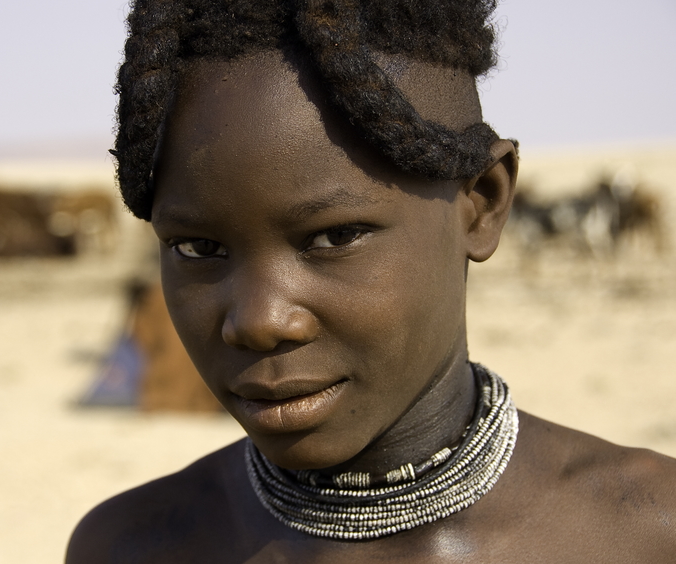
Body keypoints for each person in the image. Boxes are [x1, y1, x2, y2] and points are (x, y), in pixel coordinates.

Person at [67, 0, 676, 561]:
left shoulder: (643, 533)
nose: (258, 321)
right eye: (198, 247)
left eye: (333, 238)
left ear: (482, 204)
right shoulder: (132, 547)